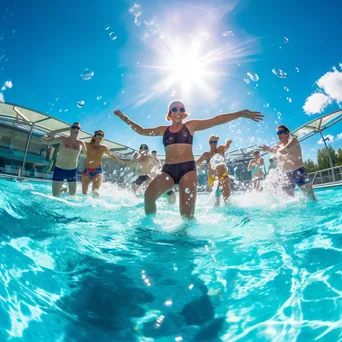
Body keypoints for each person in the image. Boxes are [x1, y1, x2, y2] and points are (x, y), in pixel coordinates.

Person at [114, 101, 263, 219]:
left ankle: (185, 240)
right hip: (168, 170)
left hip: (187, 170)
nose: (178, 111)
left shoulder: (190, 126)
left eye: (181, 109)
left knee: (186, 215)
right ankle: (150, 226)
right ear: (169, 114)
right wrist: (125, 118)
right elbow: (141, 130)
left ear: (184, 114)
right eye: (174, 109)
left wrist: (240, 113)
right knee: (148, 196)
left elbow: (216, 120)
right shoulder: (163, 130)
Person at [259, 125, 317, 200]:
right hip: (286, 175)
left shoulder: (293, 140)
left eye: (280, 132)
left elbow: (285, 150)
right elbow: (275, 150)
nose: (279, 135)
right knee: (288, 200)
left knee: (310, 198)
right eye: (277, 133)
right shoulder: (279, 146)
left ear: (287, 133)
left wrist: (274, 149)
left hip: (298, 171)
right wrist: (268, 149)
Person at [40, 122, 86, 196]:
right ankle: (63, 187)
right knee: (55, 196)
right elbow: (43, 141)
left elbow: (88, 155)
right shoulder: (62, 139)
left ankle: (63, 187)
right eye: (74, 127)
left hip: (72, 171)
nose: (76, 129)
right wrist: (55, 132)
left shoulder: (81, 143)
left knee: (72, 197)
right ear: (70, 129)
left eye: (78, 128)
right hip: (59, 169)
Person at [82, 130, 125, 196]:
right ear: (94, 137)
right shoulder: (88, 145)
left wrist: (119, 160)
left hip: (97, 171)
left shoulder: (103, 148)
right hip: (87, 171)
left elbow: (111, 155)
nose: (101, 136)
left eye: (102, 135)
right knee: (84, 193)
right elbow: (78, 143)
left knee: (95, 191)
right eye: (99, 134)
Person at [196, 135, 233, 205]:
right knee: (216, 202)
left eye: (215, 142)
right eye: (211, 142)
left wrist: (228, 144)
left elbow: (226, 147)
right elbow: (197, 163)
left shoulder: (221, 149)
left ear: (217, 142)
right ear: (209, 143)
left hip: (223, 176)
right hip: (213, 179)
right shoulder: (206, 155)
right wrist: (199, 166)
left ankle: (229, 209)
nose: (213, 144)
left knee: (227, 197)